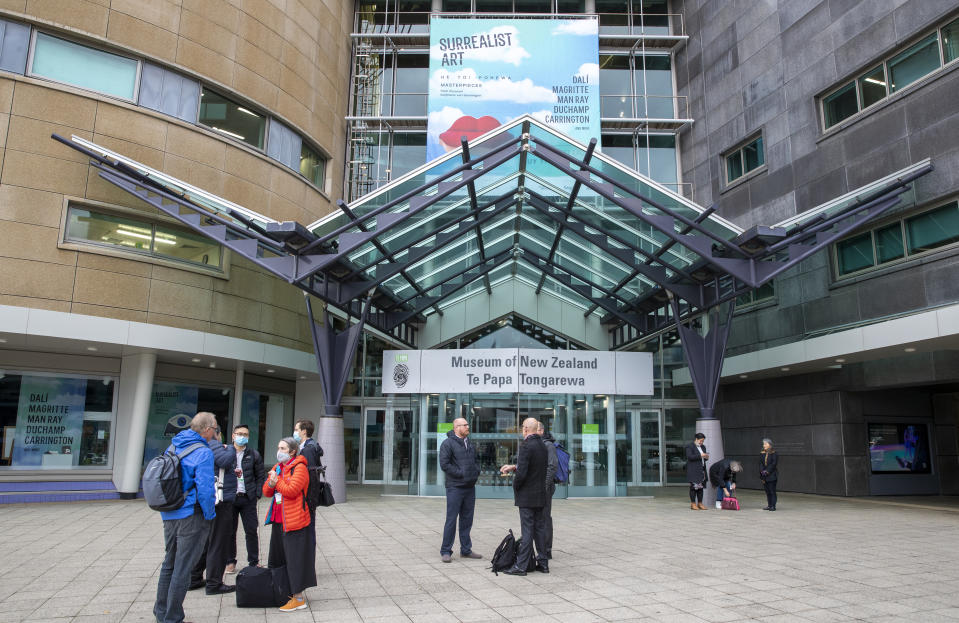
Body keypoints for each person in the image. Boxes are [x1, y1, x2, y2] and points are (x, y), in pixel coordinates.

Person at [153, 412, 217, 623]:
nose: (216, 432)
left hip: (169, 511)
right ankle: (173, 618)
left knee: (169, 563)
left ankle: (161, 613)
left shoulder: (173, 445)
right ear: (207, 429)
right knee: (183, 566)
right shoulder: (203, 452)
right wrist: (210, 515)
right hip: (190, 513)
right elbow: (206, 489)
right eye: (215, 428)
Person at [264, 436, 317, 612]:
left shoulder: (300, 468)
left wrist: (277, 481)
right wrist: (272, 483)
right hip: (279, 520)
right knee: (278, 559)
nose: (279, 452)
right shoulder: (278, 467)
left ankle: (299, 598)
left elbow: (292, 491)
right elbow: (266, 492)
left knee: (295, 560)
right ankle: (283, 592)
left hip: (295, 521)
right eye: (279, 447)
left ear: (293, 451)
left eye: (283, 449)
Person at [190, 422, 238, 594]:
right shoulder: (215, 444)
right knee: (218, 543)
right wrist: (231, 448)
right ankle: (214, 583)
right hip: (221, 502)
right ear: (214, 433)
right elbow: (225, 460)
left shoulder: (196, 446)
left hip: (205, 500)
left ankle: (194, 577)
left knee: (206, 541)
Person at [499, 418, 549, 575]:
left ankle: (521, 566)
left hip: (527, 496)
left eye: (522, 427)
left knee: (527, 530)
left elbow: (522, 474)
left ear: (526, 429)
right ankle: (543, 563)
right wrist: (514, 466)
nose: (522, 430)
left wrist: (516, 485)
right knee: (540, 529)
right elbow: (534, 466)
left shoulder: (526, 445)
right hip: (540, 494)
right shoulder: (543, 445)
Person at [438, 417, 481, 563]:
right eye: (465, 425)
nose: (468, 427)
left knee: (467, 520)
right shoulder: (447, 444)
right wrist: (461, 474)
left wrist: (475, 473)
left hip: (470, 487)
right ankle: (445, 551)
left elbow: (476, 461)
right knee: (451, 519)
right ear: (456, 427)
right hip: (455, 487)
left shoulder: (470, 443)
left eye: (468, 424)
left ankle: (466, 550)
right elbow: (444, 464)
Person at [225, 424, 266, 573]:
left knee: (251, 530)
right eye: (240, 433)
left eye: (245, 434)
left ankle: (253, 561)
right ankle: (230, 561)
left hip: (248, 497)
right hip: (230, 498)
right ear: (233, 436)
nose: (242, 436)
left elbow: (260, 475)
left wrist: (257, 493)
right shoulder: (226, 453)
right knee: (230, 531)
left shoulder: (253, 454)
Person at [293, 419, 324, 550]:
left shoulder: (308, 450)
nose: (294, 432)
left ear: (304, 432)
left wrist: (307, 499)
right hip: (310, 496)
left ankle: (308, 561)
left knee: (308, 528)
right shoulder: (310, 447)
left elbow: (310, 475)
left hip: (308, 497)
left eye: (296, 430)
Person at [537, 421, 557, 560]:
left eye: (535, 429)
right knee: (539, 518)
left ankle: (547, 549)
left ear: (542, 431)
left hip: (545, 488)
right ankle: (541, 547)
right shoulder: (537, 444)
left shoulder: (548, 445)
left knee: (544, 518)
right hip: (537, 487)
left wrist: (544, 486)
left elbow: (551, 467)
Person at [685, 433, 709, 510]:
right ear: (696, 439)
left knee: (700, 487)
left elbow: (704, 459)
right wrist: (700, 455)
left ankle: (700, 503)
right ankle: (693, 504)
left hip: (701, 470)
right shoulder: (690, 446)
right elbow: (690, 457)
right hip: (693, 470)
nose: (702, 442)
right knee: (693, 487)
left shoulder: (703, 447)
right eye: (701, 441)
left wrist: (706, 457)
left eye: (703, 441)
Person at [760, 438, 779, 511]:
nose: (764, 445)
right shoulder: (762, 453)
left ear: (770, 445)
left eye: (765, 444)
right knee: (767, 491)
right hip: (764, 476)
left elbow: (773, 464)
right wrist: (762, 471)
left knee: (772, 491)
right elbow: (760, 463)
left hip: (772, 475)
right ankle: (769, 505)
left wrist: (767, 471)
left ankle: (773, 506)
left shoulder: (774, 453)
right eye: (763, 444)